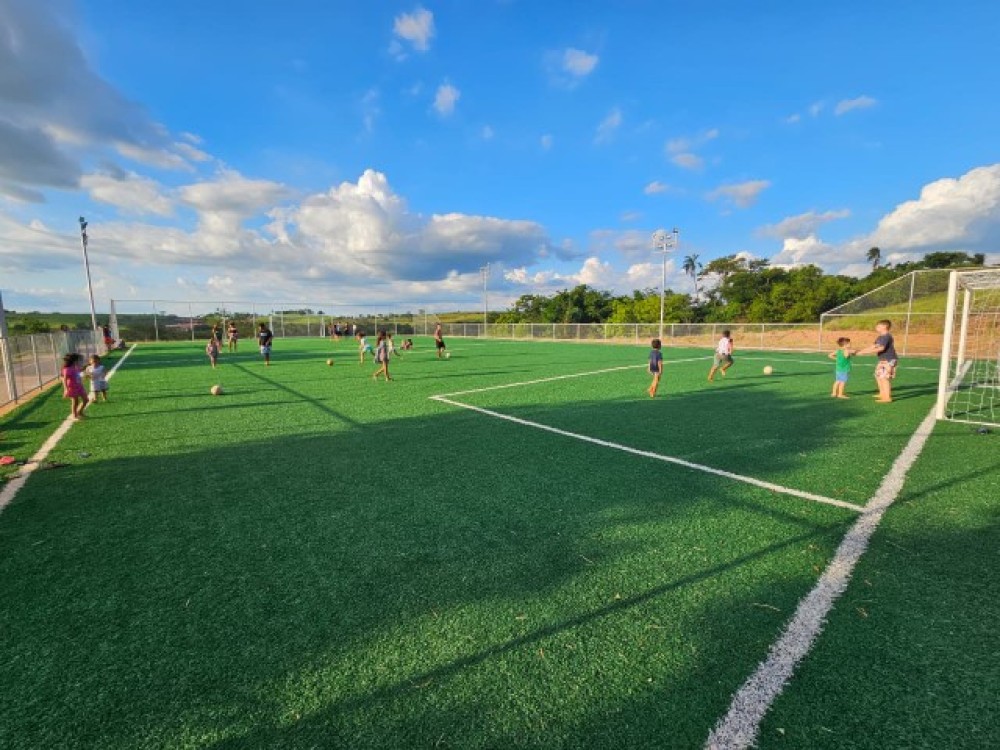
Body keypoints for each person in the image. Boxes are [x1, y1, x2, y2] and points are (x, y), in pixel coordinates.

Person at [856, 319, 897, 403]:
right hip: (882, 360)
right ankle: (882, 393)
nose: (876, 327)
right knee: (878, 376)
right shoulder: (880, 337)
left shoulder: (886, 337)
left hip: (889, 360)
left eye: (878, 326)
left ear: (884, 327)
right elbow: (873, 346)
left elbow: (881, 348)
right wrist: (860, 351)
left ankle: (887, 397)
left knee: (884, 378)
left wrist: (865, 352)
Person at [61, 353, 88, 420]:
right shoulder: (67, 369)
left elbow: (79, 371)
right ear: (74, 361)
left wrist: (86, 369)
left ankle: (80, 412)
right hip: (72, 387)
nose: (79, 361)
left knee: (86, 399)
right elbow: (64, 379)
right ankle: (74, 415)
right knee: (75, 401)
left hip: (79, 386)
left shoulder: (75, 367)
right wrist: (66, 389)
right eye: (78, 360)